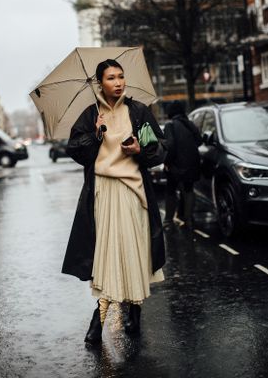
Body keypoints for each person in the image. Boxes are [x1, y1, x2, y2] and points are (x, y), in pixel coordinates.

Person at [62, 59, 166, 344]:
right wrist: (95, 134)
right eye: (111, 78)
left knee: (134, 252)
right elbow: (74, 149)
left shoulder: (139, 111)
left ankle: (135, 310)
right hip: (104, 192)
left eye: (121, 76)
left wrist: (139, 150)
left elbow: (159, 150)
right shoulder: (89, 115)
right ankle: (99, 317)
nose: (118, 82)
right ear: (100, 83)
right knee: (107, 257)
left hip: (133, 192)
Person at [163, 101, 202, 231]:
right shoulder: (189, 124)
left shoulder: (170, 125)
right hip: (192, 163)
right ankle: (189, 220)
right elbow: (199, 141)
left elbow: (171, 146)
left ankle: (168, 221)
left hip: (176, 165)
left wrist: (167, 163)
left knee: (171, 191)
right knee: (188, 190)